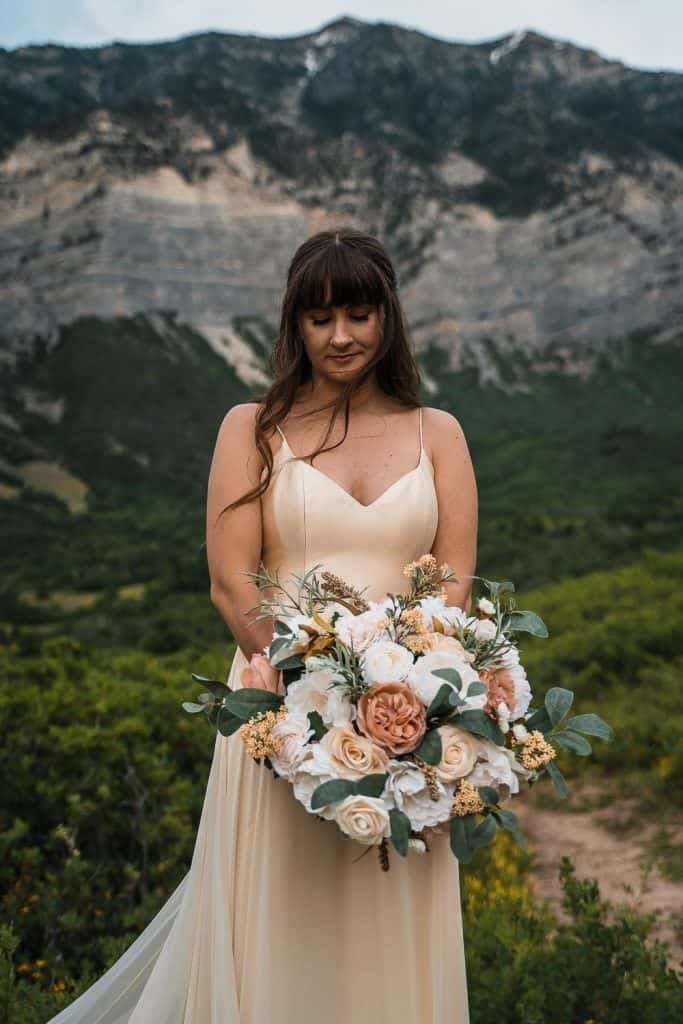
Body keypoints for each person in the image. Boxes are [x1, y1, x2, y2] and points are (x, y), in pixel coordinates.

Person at [49, 227, 477, 1023]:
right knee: (284, 916)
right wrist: (315, 705)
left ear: (387, 317)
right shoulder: (251, 427)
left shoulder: (438, 433)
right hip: (278, 714)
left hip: (409, 728)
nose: (341, 336)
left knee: (391, 909)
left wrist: (413, 705)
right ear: (295, 326)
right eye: (320, 319)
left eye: (357, 313)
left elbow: (452, 582)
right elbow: (230, 581)